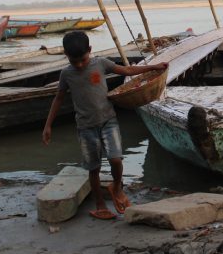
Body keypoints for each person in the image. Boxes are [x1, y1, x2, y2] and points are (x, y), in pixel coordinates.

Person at [42, 31, 167, 220]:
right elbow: (58, 99)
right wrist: (48, 126)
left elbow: (127, 71)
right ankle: (100, 205)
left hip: (108, 121)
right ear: (66, 56)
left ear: (90, 51)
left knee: (116, 159)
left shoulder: (100, 64)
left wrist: (154, 67)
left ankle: (117, 187)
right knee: (94, 168)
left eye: (82, 60)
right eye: (74, 61)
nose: (79, 65)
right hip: (85, 127)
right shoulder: (66, 74)